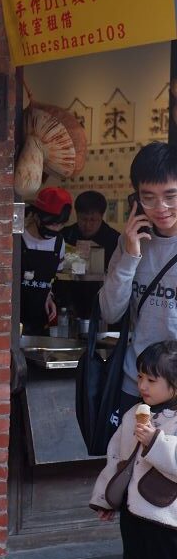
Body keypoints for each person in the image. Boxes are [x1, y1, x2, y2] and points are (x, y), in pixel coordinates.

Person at [90, 341, 177, 559]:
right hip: (135, 511)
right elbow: (118, 458)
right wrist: (106, 499)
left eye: (151, 380)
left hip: (168, 517)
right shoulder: (134, 414)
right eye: (140, 377)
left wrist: (156, 441)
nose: (142, 386)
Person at [99, 142, 177, 419]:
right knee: (126, 461)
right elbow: (110, 311)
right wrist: (130, 256)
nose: (161, 207)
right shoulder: (128, 243)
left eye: (171, 195)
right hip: (136, 385)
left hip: (175, 389)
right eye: (149, 197)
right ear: (136, 198)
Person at [20, 186, 72, 335]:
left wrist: (48, 297)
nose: (56, 229)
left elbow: (51, 279)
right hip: (16, 318)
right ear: (37, 216)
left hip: (41, 321)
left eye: (61, 224)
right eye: (52, 223)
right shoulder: (18, 238)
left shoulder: (59, 243)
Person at [62, 190, 120, 269]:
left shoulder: (115, 239)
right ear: (76, 214)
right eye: (83, 219)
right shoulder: (65, 235)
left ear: (102, 216)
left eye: (93, 220)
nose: (87, 225)